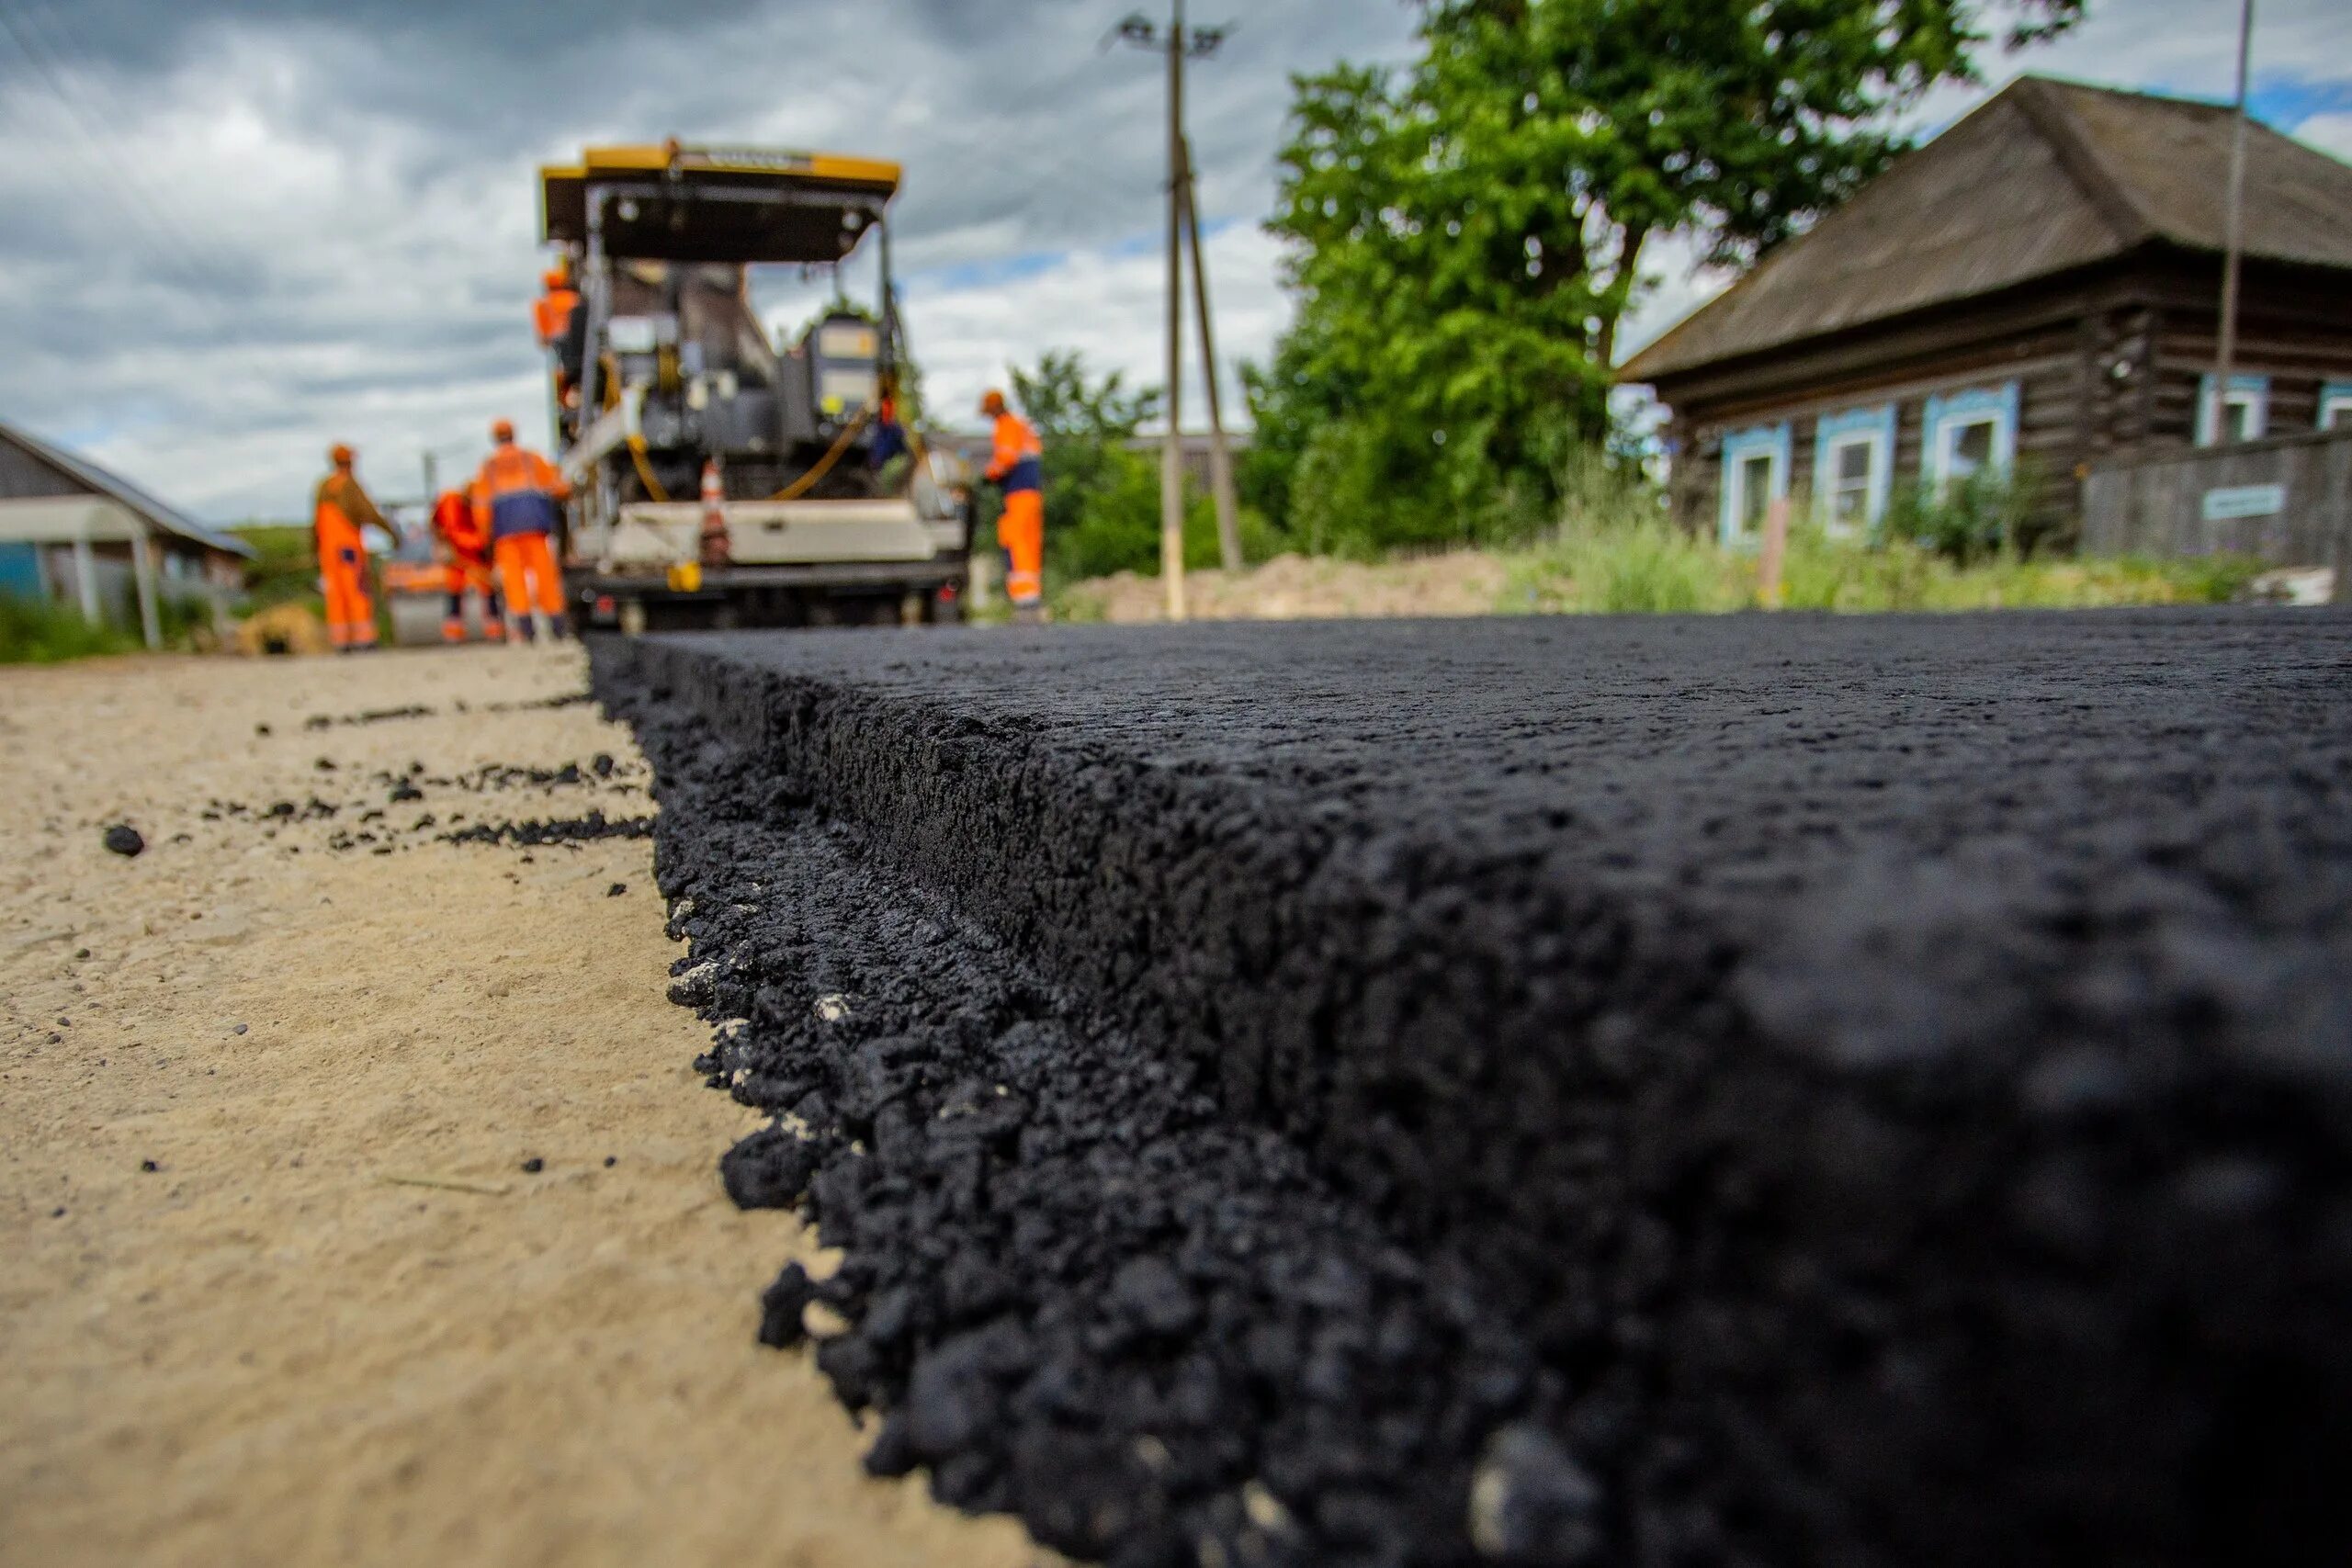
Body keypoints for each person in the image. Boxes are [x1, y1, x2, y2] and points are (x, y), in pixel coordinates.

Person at [470, 419, 572, 641]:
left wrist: (485, 535)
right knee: (545, 577)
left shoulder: (489, 467)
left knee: (515, 582)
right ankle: (557, 626)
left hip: (506, 532)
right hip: (534, 527)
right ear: (513, 434)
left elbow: (481, 506)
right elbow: (559, 487)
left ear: (495, 438)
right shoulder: (531, 458)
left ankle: (527, 629)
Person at [313, 444, 387, 652]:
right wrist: (391, 532)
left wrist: (314, 551)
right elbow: (369, 512)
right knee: (357, 589)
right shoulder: (350, 486)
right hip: (349, 549)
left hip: (327, 551)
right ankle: (364, 639)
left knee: (335, 594)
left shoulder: (323, 487)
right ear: (349, 461)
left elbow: (315, 524)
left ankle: (341, 641)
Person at [979, 389, 1045, 623]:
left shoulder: (1007, 425)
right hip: (1030, 493)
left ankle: (1024, 596)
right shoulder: (1022, 425)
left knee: (1016, 540)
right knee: (1029, 541)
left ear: (995, 408)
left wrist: (989, 474)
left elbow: (1006, 458)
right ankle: (1031, 596)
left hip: (1018, 494)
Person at [429, 487, 503, 643]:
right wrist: (442, 546)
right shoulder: (449, 501)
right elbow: (438, 525)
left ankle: (494, 629)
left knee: (488, 589)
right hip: (456, 553)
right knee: (455, 588)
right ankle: (454, 632)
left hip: (478, 553)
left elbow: (489, 536)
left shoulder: (485, 510)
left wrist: (491, 559)